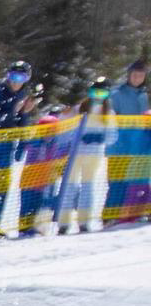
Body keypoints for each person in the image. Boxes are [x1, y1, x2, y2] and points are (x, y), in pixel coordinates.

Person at [0, 61, 40, 240]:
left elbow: (21, 123)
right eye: (13, 76)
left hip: (7, 144)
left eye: (21, 77)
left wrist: (25, 113)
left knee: (3, 186)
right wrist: (14, 110)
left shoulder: (23, 94)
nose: (16, 81)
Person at [61, 78, 118, 234]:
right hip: (76, 153)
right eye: (95, 92)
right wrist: (76, 138)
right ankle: (63, 222)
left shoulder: (108, 113)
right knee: (70, 185)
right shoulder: (80, 108)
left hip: (94, 155)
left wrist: (99, 138)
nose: (98, 96)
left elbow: (112, 136)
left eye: (102, 93)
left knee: (88, 187)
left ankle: (84, 220)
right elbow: (66, 127)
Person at [104, 58, 148, 225]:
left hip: (139, 144)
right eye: (135, 75)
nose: (138, 78)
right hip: (119, 143)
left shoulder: (142, 95)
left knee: (138, 180)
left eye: (141, 75)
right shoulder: (117, 94)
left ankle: (135, 211)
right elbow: (109, 118)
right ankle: (110, 213)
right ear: (129, 75)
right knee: (117, 180)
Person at [17, 103, 70, 236]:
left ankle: (38, 225)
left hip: (47, 180)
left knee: (43, 203)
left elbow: (60, 155)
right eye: (46, 130)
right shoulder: (36, 143)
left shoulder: (56, 143)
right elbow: (35, 155)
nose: (49, 133)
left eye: (52, 130)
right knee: (27, 203)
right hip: (31, 180)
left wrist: (67, 149)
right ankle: (24, 225)